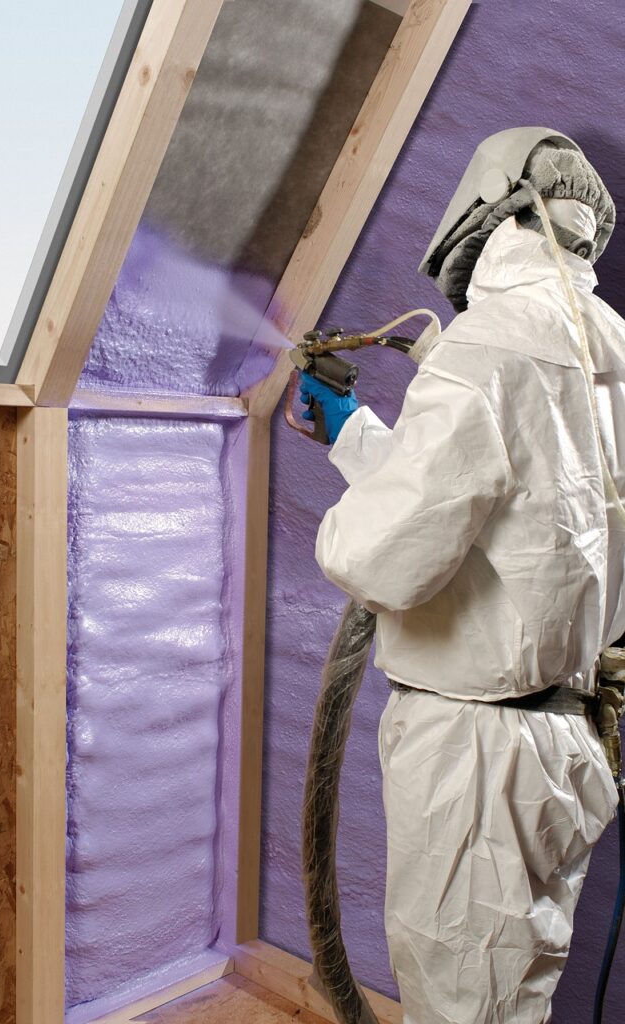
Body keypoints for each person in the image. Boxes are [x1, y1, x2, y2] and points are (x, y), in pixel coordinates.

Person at [303, 127, 624, 1024]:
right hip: (570, 746)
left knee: (460, 998)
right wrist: (354, 437)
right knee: (518, 991)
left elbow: (381, 555)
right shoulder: (615, 350)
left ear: (491, 212)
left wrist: (349, 513)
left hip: (478, 759)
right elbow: (510, 524)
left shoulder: (487, 347)